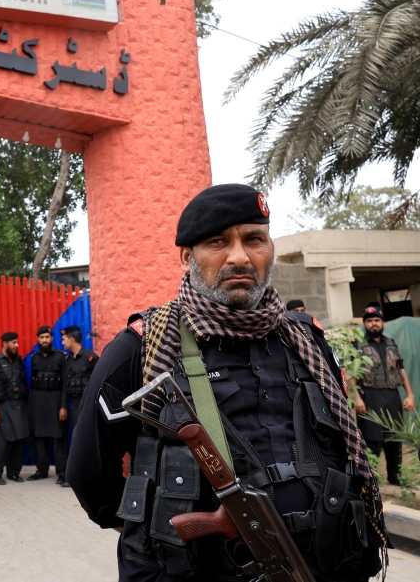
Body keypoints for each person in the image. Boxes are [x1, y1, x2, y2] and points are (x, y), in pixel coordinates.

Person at [67, 183, 386, 581]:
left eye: (254, 239)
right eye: (218, 242)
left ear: (270, 248)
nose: (239, 257)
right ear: (187, 256)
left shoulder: (306, 339)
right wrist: (156, 534)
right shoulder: (143, 346)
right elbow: (89, 472)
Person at [350, 305, 416, 485]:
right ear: (364, 323)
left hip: (392, 396)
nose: (373, 324)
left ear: (382, 322)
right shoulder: (357, 344)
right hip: (370, 397)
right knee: (372, 439)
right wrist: (357, 397)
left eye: (377, 320)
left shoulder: (391, 343)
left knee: (394, 437)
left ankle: (395, 477)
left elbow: (401, 370)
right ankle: (370, 479)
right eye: (369, 321)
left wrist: (410, 395)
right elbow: (353, 373)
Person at [0, 331, 29, 485]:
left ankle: (14, 472)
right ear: (5, 343)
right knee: (3, 442)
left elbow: (24, 383)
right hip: (3, 407)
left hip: (20, 406)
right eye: (14, 342)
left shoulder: (18, 361)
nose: (17, 345)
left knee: (19, 441)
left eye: (17, 342)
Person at [26, 325, 67, 485]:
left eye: (47, 337)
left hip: (55, 401)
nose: (44, 340)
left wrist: (63, 406)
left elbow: (65, 384)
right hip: (38, 402)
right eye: (41, 337)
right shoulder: (34, 357)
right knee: (39, 437)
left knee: (58, 438)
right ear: (38, 339)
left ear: (52, 338)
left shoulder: (60, 357)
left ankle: (62, 472)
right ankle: (41, 470)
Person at [59, 325, 97, 463]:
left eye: (64, 339)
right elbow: (65, 384)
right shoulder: (68, 360)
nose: (62, 342)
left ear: (71, 339)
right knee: (77, 436)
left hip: (88, 404)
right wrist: (63, 406)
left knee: (88, 436)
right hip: (74, 404)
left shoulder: (90, 357)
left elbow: (100, 381)